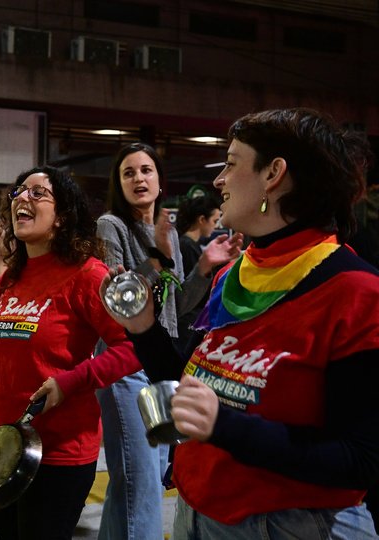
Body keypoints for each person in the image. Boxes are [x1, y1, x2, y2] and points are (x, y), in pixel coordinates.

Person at [102, 107, 379, 538]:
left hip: (286, 525)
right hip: (197, 513)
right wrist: (143, 328)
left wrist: (224, 426)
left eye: (230, 164)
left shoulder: (357, 293)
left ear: (274, 174)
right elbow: (189, 390)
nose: (218, 181)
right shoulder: (237, 274)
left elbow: (360, 460)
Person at [0, 168, 141, 539]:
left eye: (38, 193)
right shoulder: (12, 279)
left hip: (57, 454)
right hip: (1, 447)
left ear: (62, 216)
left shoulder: (87, 275)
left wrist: (71, 382)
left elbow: (132, 348)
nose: (23, 198)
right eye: (19, 191)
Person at [95, 142, 242, 540]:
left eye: (146, 170)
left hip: (161, 361)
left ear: (160, 181)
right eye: (129, 173)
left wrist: (205, 268)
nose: (139, 179)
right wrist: (156, 258)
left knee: (143, 478)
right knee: (139, 483)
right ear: (119, 183)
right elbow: (120, 298)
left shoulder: (169, 232)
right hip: (125, 361)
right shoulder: (112, 225)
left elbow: (174, 306)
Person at [175, 194, 223, 355]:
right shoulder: (186, 247)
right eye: (215, 221)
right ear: (202, 219)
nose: (216, 227)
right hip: (188, 323)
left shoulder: (190, 245)